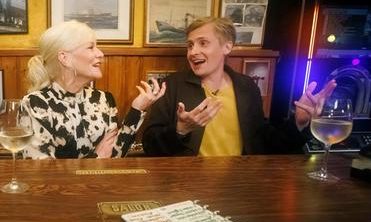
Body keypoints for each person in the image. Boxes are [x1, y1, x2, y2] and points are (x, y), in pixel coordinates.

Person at [142, 16, 336, 157]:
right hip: (185, 184)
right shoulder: (172, 86)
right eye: (190, 45)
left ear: (227, 47)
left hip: (239, 182)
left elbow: (267, 143)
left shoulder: (246, 87)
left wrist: (298, 121)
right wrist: (180, 129)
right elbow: (150, 145)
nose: (193, 52)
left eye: (203, 43)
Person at [22, 20, 165, 159]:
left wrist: (137, 110)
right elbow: (40, 171)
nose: (100, 54)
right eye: (91, 47)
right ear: (64, 58)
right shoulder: (34, 104)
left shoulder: (104, 99)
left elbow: (115, 156)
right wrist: (96, 157)